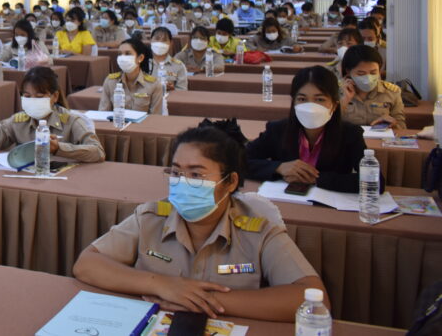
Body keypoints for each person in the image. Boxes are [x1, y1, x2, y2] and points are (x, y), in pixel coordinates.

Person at [73, 123, 322, 321]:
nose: (182, 182)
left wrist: (202, 300)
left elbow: (310, 297)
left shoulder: (257, 229)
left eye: (196, 174)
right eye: (176, 172)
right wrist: (161, 285)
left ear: (231, 182)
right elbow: (87, 263)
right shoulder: (151, 217)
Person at [246, 66, 373, 193]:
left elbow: (374, 181)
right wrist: (278, 167)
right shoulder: (277, 129)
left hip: (327, 202)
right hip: (284, 200)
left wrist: (317, 178)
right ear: (294, 102)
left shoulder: (350, 134)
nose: (311, 107)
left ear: (334, 105)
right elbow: (240, 159)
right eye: (302, 99)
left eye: (320, 99)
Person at [0, 66, 104, 163]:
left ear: (55, 96)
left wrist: (59, 148)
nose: (33, 100)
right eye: (27, 96)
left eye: (39, 96)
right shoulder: (18, 121)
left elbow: (98, 152)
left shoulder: (71, 121)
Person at [339, 45, 405, 129]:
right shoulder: (336, 91)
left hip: (379, 137)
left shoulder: (391, 92)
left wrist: (393, 124)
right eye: (361, 74)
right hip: (348, 137)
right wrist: (345, 100)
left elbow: (402, 126)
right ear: (348, 71)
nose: (368, 78)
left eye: (373, 73)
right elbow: (327, 125)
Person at [97, 38, 164, 115]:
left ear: (140, 58)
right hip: (117, 122)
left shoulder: (154, 85)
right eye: (120, 54)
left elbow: (155, 117)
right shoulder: (110, 81)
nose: (122, 58)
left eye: (128, 54)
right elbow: (103, 114)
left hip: (144, 123)